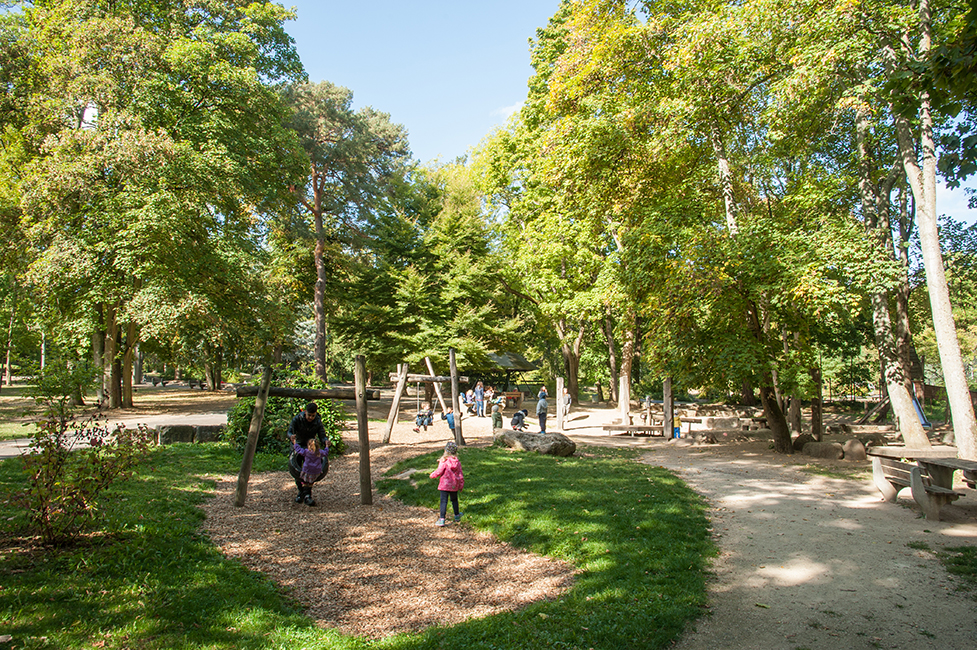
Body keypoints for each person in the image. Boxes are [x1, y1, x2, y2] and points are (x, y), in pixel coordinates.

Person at [287, 402, 328, 505]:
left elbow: (322, 434)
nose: (310, 417)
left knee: (311, 469)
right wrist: (291, 436)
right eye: (309, 415)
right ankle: (301, 492)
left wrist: (325, 441)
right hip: (298, 444)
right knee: (297, 470)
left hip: (310, 446)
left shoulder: (317, 421)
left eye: (313, 416)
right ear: (305, 412)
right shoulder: (297, 419)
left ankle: (307, 494)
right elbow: (289, 431)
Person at [430, 441, 464, 526]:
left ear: (445, 450)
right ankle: (456, 515)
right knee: (454, 500)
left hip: (444, 485)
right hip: (454, 485)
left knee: (443, 501)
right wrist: (461, 484)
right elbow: (460, 474)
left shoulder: (443, 461)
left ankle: (442, 519)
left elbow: (439, 471)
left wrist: (433, 475)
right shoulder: (457, 462)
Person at [293, 438, 327, 506]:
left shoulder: (307, 452)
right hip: (316, 472)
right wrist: (327, 446)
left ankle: (305, 495)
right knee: (310, 482)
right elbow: (326, 453)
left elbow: (299, 450)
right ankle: (307, 495)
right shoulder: (319, 452)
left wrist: (295, 443)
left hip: (307, 471)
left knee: (305, 481)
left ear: (308, 445)